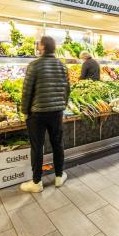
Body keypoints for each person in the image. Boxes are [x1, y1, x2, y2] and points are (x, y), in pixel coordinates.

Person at [20, 36, 70, 193]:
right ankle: (59, 177)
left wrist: (25, 111)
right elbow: (67, 89)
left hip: (38, 114)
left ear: (41, 47)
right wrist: (62, 105)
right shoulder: (62, 66)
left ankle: (36, 182)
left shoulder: (34, 65)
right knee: (58, 144)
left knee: (37, 147)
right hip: (56, 113)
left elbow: (27, 91)